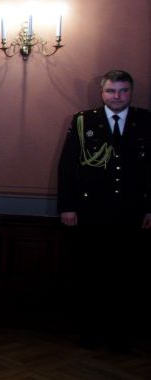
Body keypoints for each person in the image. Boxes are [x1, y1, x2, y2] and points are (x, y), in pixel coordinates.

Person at [57, 69, 151, 351]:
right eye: (111, 91)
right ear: (102, 93)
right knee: (91, 274)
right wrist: (68, 206)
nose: (117, 96)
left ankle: (120, 336)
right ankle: (91, 333)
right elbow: (68, 166)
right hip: (92, 211)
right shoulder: (84, 121)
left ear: (131, 92)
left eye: (123, 91)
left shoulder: (145, 121)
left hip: (131, 212)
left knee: (127, 275)